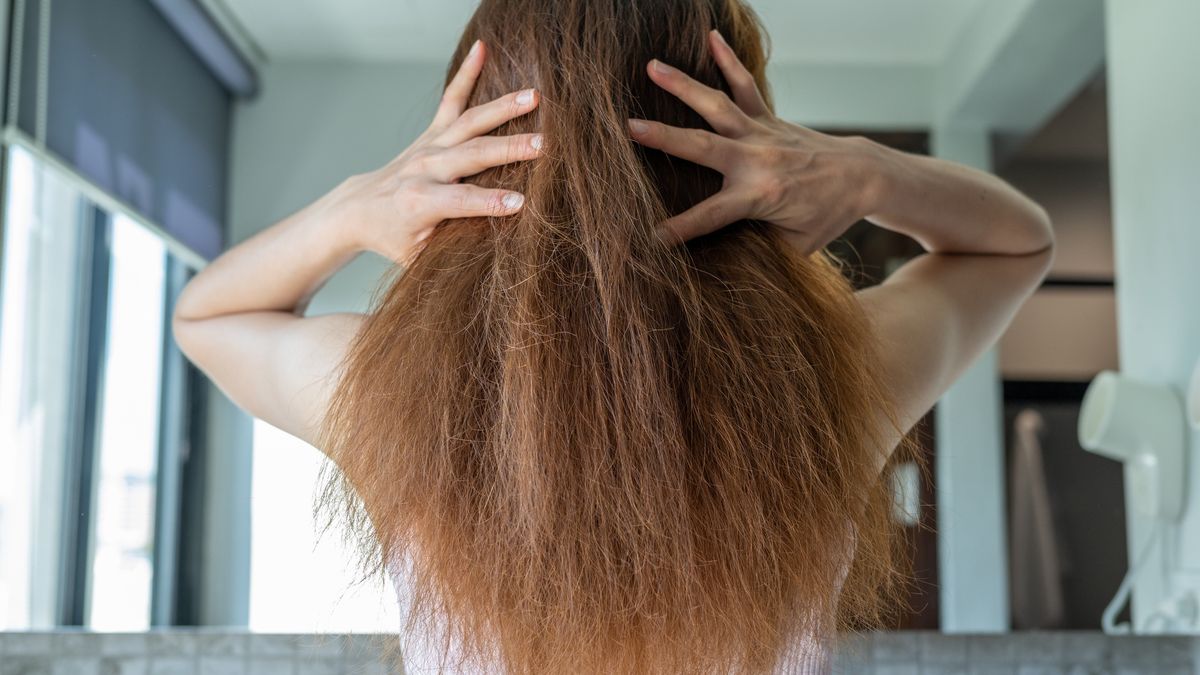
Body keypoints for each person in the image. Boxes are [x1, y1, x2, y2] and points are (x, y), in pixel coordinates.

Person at [173, 1, 1054, 672]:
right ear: (735, 132)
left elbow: (206, 316)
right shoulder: (832, 383)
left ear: (483, 132)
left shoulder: (393, 395)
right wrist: (864, 169)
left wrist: (358, 204)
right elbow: (1017, 243)